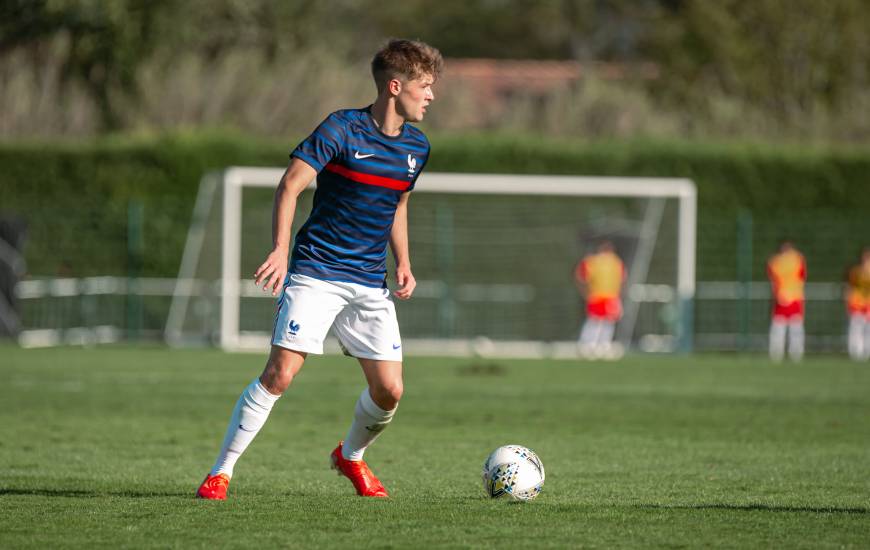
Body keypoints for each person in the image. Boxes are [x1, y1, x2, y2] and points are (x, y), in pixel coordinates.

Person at [196, 39, 443, 500]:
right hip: (317, 272)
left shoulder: (416, 147)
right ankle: (221, 472)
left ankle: (350, 457)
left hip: (371, 282)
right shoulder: (341, 129)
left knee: (390, 390)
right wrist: (279, 249)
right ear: (395, 87)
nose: (431, 96)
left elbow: (398, 204)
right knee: (281, 374)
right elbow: (290, 185)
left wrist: (404, 261)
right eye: (424, 87)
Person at [574, 240, 626, 359]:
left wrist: (585, 292)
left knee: (604, 322)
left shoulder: (608, 262)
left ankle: (601, 345)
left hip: (605, 296)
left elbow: (580, 277)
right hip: (602, 296)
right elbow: (623, 280)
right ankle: (589, 345)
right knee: (597, 321)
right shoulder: (614, 262)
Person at [766, 240, 806, 362]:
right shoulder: (797, 259)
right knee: (782, 328)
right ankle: (782, 354)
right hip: (786, 298)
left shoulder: (776, 261)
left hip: (791, 298)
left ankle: (789, 354)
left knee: (792, 328)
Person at [845, 247, 870, 361]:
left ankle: (867, 351)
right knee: (855, 328)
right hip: (856, 303)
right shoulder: (855, 271)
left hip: (868, 304)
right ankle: (855, 352)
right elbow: (849, 287)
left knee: (868, 329)